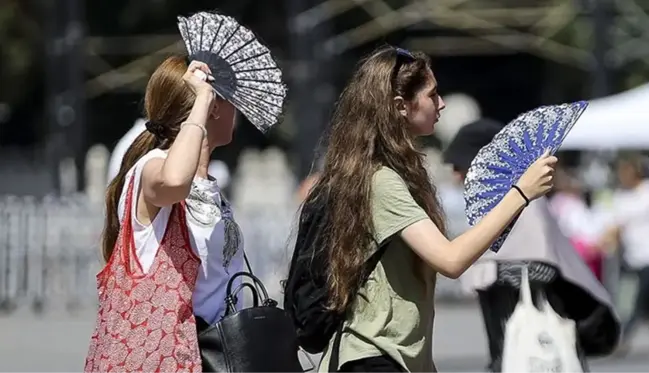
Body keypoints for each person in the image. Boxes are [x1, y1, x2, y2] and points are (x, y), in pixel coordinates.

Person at [310, 46, 558, 373]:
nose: (441, 104)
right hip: (373, 357)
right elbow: (450, 260)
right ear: (400, 106)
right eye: (432, 95)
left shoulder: (396, 174)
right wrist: (520, 193)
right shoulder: (381, 181)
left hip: (398, 358)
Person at [85, 57, 243, 371]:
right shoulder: (152, 167)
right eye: (231, 99)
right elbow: (174, 181)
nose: (237, 109)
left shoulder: (213, 190)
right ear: (211, 106)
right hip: (162, 357)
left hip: (209, 356)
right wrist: (202, 99)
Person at [443, 118, 620, 373]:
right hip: (509, 343)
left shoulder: (524, 199)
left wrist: (489, 269)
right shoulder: (495, 202)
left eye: (460, 165)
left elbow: (543, 267)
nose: (456, 175)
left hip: (538, 341)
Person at [601, 153, 649, 349]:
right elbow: (615, 225)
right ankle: (622, 338)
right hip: (632, 257)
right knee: (628, 301)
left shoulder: (646, 192)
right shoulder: (620, 197)